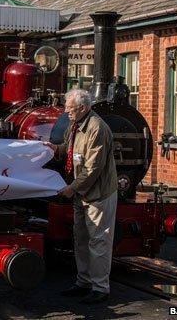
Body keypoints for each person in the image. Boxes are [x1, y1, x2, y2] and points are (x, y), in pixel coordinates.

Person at [44, 88, 118, 304]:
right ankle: (83, 282)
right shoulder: (75, 124)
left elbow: (93, 168)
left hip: (98, 194)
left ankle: (100, 288)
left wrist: (72, 188)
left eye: (70, 109)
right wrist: (55, 149)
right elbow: (69, 148)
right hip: (81, 192)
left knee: (99, 241)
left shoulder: (97, 129)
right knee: (81, 240)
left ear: (84, 108)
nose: (66, 112)